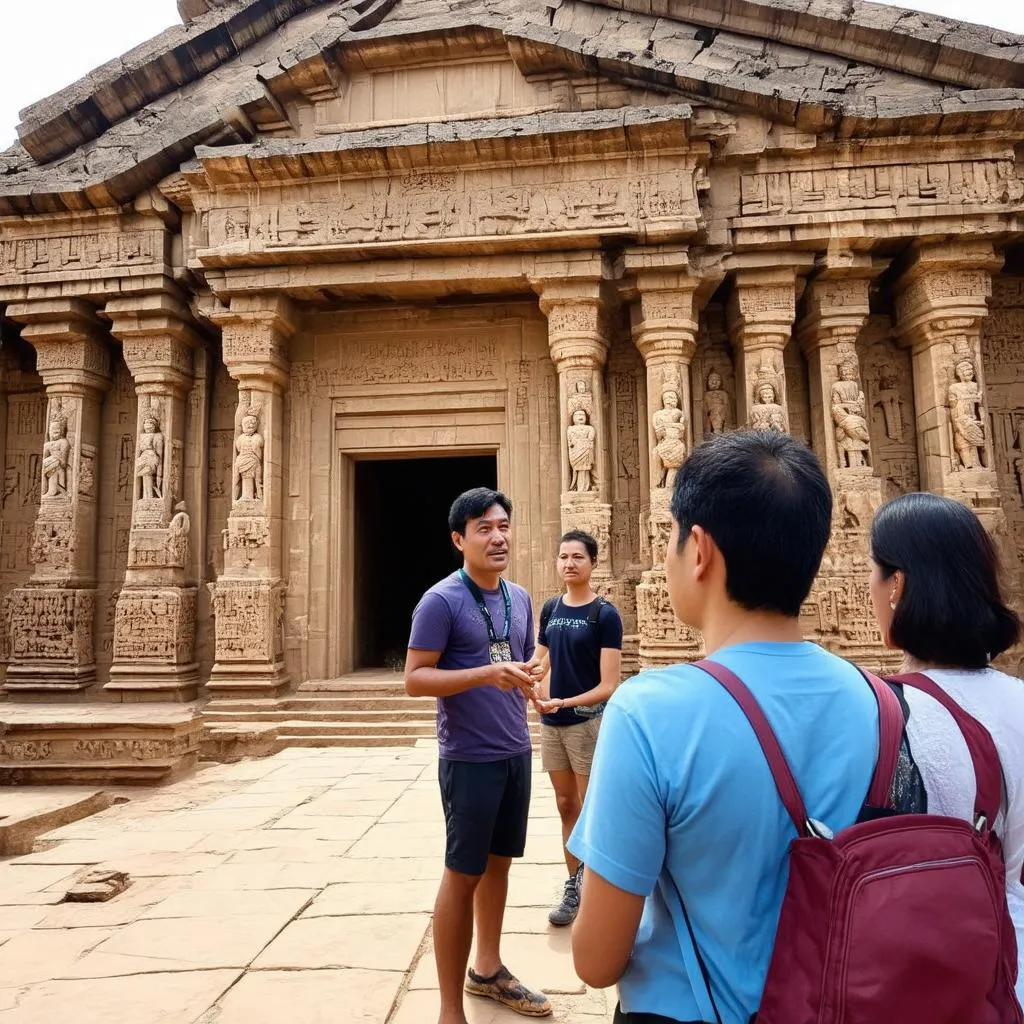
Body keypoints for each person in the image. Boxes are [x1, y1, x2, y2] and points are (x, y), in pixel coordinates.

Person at [567, 430, 881, 1024]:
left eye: (671, 538)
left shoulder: (649, 713)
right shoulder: (885, 704)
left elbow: (595, 959)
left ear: (701, 551)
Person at [868, 491, 1024, 1002]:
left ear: (899, 587)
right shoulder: (1019, 701)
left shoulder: (879, 713)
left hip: (914, 977)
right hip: (1008, 966)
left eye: (875, 572)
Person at [405, 487, 552, 1023]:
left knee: (499, 865)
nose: (498, 536)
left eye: (504, 525)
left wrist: (532, 684)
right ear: (458, 539)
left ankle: (487, 969)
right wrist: (486, 674)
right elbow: (416, 678)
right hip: (468, 758)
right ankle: (449, 1010)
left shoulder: (519, 597)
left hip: (516, 749)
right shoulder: (441, 600)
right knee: (461, 873)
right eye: (484, 528)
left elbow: (516, 662)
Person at [532, 530, 623, 926]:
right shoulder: (551, 608)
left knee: (592, 808)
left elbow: (608, 685)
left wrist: (564, 702)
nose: (569, 563)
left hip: (585, 724)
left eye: (578, 557)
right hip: (551, 723)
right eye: (563, 556)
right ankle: (574, 884)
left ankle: (602, 888)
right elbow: (541, 660)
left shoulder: (604, 614)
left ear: (593, 563)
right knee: (565, 805)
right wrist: (529, 682)